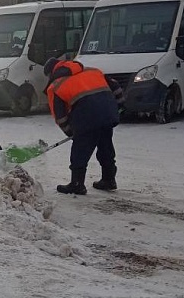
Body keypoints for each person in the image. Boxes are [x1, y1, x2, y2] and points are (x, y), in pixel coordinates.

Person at [43, 57, 124, 195]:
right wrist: (118, 107)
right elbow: (116, 87)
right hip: (107, 113)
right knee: (106, 146)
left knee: (80, 151)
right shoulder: (93, 71)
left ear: (51, 73)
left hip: (86, 116)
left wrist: (72, 133)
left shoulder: (56, 86)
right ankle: (109, 179)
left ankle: (77, 184)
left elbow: (61, 117)